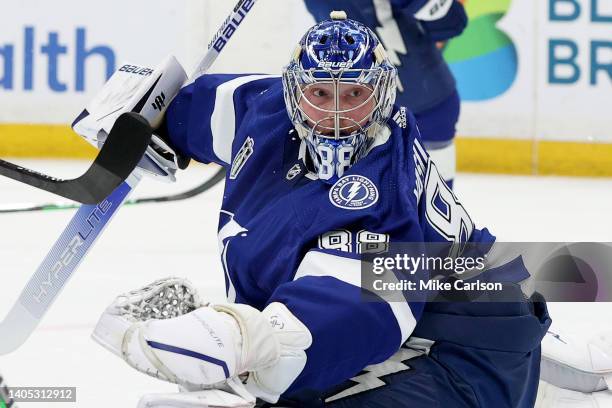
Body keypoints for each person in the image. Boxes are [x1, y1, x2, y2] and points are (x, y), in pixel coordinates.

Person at [92, 12, 550, 407]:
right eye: (321, 94)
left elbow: (350, 308)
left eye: (354, 96)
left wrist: (247, 336)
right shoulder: (267, 108)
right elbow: (193, 110)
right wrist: (142, 117)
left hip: (468, 358)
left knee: (283, 385)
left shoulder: (381, 191)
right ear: (294, 93)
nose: (334, 115)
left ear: (383, 96)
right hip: (445, 307)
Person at [303, 0, 467, 189]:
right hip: (356, 110)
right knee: (353, 205)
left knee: (432, 203)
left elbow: (452, 24)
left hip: (427, 106)